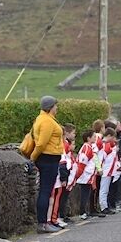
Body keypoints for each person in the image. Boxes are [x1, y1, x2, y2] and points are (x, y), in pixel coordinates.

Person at [30, 95, 64, 234]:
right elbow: (42, 143)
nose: (57, 108)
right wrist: (33, 157)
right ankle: (43, 223)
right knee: (45, 191)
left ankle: (44, 223)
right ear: (50, 107)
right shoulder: (47, 122)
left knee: (45, 190)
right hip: (48, 159)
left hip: (48, 158)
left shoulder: (43, 119)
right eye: (55, 106)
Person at [58, 123, 77, 224]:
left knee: (63, 196)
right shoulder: (64, 144)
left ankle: (62, 215)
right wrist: (64, 177)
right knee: (62, 196)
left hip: (67, 173)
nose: (74, 135)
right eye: (73, 133)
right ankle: (61, 216)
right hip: (64, 173)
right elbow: (64, 161)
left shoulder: (65, 143)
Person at [98, 128, 118, 214]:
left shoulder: (108, 144)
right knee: (103, 189)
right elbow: (101, 158)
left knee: (105, 189)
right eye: (113, 137)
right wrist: (99, 168)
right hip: (106, 170)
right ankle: (103, 207)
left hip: (109, 170)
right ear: (109, 136)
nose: (114, 139)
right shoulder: (105, 145)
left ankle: (105, 206)